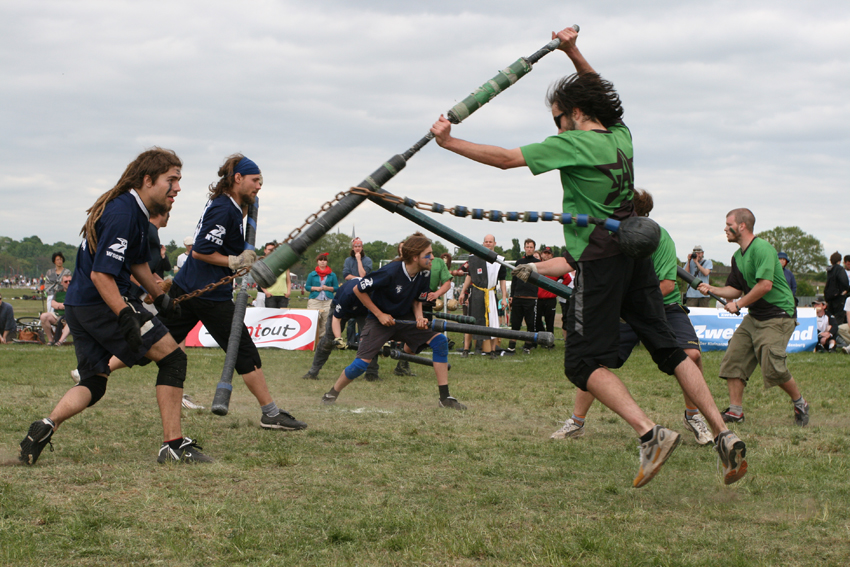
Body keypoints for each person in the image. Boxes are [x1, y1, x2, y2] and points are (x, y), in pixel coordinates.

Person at [431, 25, 746, 487]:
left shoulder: (573, 143)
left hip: (598, 261)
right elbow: (600, 93)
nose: (556, 127)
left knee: (581, 363)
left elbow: (504, 158)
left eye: (559, 117)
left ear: (577, 113)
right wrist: (574, 52)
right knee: (669, 347)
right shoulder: (622, 136)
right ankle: (722, 433)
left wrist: (448, 141)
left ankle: (649, 434)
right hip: (633, 256)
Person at [18, 147, 212, 465]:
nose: (178, 187)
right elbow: (101, 274)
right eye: (172, 179)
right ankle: (173, 446)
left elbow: (135, 262)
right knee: (173, 359)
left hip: (80, 306)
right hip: (101, 303)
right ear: (148, 180)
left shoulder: (131, 211)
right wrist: (124, 313)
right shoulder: (124, 214)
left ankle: (45, 427)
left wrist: (160, 295)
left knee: (94, 381)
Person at [551, 189, 713, 446]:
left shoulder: (658, 238)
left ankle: (694, 416)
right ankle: (577, 421)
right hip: (624, 310)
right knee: (593, 363)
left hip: (663, 307)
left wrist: (636, 306)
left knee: (691, 355)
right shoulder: (610, 236)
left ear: (634, 212)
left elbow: (668, 285)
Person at [159, 153, 306, 431]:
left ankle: (94, 369)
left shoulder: (230, 206)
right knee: (244, 351)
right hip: (207, 295)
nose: (259, 186)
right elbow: (201, 250)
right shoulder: (224, 209)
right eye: (254, 180)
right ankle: (271, 413)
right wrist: (233, 261)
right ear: (237, 178)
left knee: (157, 341)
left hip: (190, 288)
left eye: (260, 182)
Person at [320, 233, 466, 410]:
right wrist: (380, 314)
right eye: (428, 254)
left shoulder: (425, 272)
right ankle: (332, 393)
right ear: (414, 257)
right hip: (378, 320)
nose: (432, 257)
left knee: (440, 341)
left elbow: (417, 299)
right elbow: (359, 289)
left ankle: (445, 398)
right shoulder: (390, 271)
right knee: (360, 365)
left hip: (404, 319)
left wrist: (419, 317)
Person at [698, 208, 809, 427]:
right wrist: (713, 289)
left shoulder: (762, 248)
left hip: (779, 314)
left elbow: (765, 285)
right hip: (755, 316)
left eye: (728, 223)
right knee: (734, 358)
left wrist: (738, 304)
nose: (725, 228)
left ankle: (800, 403)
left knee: (772, 365)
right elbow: (735, 289)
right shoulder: (738, 256)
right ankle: (736, 412)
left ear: (742, 226)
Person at [301, 277, 381, 382]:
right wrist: (338, 338)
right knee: (329, 339)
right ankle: (313, 372)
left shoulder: (377, 294)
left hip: (364, 311)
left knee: (371, 339)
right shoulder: (348, 294)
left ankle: (372, 374)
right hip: (342, 308)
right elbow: (337, 318)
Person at [457, 235, 507, 358]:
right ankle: (466, 349)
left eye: (490, 242)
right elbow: (469, 276)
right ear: (483, 243)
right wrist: (463, 291)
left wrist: (504, 297)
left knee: (493, 323)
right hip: (477, 293)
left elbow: (502, 280)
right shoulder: (474, 258)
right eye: (486, 242)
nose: (488, 244)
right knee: (471, 321)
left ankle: (493, 351)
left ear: (495, 243)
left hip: (490, 294)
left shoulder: (499, 260)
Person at [504, 239, 539, 356]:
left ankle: (528, 346)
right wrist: (512, 296)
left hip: (531, 297)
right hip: (518, 297)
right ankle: (511, 347)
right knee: (515, 323)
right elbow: (514, 280)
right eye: (527, 247)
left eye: (531, 247)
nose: (529, 249)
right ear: (524, 248)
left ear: (534, 249)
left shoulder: (537, 263)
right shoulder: (519, 262)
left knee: (530, 323)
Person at [342, 237, 373, 348]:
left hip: (363, 292)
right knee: (350, 320)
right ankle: (350, 342)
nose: (357, 248)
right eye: (355, 246)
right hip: (351, 292)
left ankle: (362, 341)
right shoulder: (348, 260)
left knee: (362, 318)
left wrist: (359, 260)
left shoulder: (367, 260)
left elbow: (364, 275)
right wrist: (358, 278)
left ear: (362, 247)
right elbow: (346, 276)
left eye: (359, 246)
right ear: (353, 247)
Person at [305, 252, 339, 341]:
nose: (322, 262)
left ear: (327, 262)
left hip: (328, 300)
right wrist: (315, 288)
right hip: (315, 299)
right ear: (317, 262)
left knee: (326, 321)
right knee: (315, 319)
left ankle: (322, 340)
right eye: (321, 260)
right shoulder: (312, 274)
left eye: (324, 260)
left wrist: (328, 288)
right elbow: (307, 287)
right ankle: (312, 339)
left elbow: (336, 288)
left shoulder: (332, 275)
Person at [40, 273, 73, 346]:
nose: (68, 283)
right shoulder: (58, 292)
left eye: (70, 281)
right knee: (43, 316)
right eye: (66, 281)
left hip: (71, 316)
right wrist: (61, 305)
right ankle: (50, 340)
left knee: (71, 320)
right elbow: (52, 304)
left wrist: (62, 305)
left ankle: (60, 341)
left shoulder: (76, 291)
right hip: (58, 315)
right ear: (62, 283)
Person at [535, 246, 559, 346]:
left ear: (552, 255)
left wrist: (557, 289)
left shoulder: (555, 267)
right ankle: (542, 339)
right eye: (545, 253)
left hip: (550, 299)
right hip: (539, 299)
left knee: (550, 322)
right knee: (537, 320)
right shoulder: (538, 266)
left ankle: (550, 343)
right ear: (541, 254)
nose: (546, 255)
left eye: (548, 253)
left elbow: (567, 278)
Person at [258, 242, 291, 308]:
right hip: (271, 295)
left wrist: (288, 292)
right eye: (270, 250)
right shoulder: (264, 265)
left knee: (282, 316)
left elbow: (288, 281)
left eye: (273, 250)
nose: (271, 251)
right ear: (265, 250)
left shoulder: (284, 266)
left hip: (283, 295)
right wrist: (266, 292)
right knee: (271, 316)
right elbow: (261, 281)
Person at [824, 252, 849, 324]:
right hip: (838, 297)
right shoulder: (840, 269)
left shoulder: (829, 270)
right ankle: (837, 333)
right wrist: (846, 289)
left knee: (830, 317)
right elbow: (844, 281)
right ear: (840, 260)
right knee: (839, 318)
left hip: (830, 297)